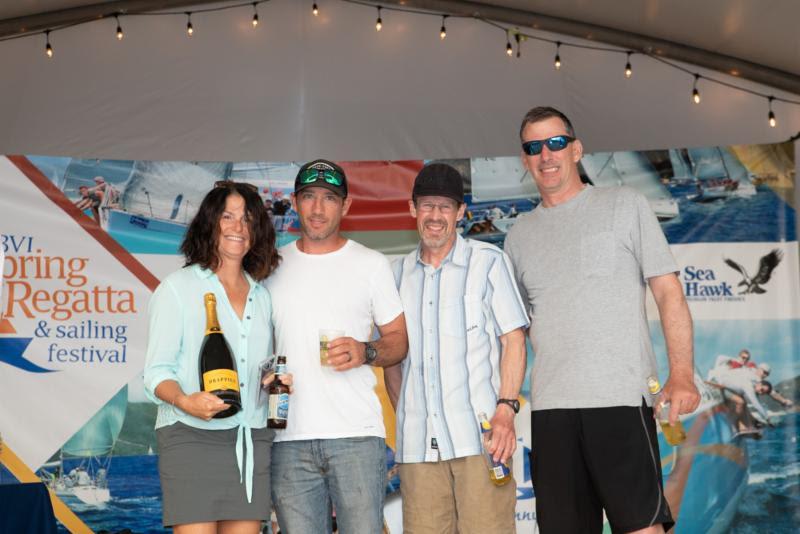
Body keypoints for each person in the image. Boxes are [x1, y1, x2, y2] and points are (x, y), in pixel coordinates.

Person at [504, 106, 701, 534]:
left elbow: (669, 293)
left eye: (556, 143)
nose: (546, 155)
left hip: (621, 400)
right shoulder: (518, 235)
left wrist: (682, 374)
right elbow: (514, 334)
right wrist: (503, 405)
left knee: (643, 529)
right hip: (552, 413)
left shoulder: (625, 205)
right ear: (524, 159)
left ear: (576, 149)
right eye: (533, 147)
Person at [263, 159, 408, 534]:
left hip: (357, 437)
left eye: (329, 198)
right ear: (294, 202)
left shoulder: (371, 264)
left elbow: (399, 341)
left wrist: (365, 351)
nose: (317, 207)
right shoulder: (269, 267)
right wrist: (263, 374)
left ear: (345, 206)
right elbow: (258, 347)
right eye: (309, 196)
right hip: (288, 439)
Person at [385, 163, 529, 533]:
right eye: (427, 205)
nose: (435, 216)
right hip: (418, 449)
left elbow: (513, 339)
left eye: (445, 206)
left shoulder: (489, 263)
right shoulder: (394, 276)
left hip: (480, 442)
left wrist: (506, 411)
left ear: (461, 212)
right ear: (412, 209)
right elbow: (392, 358)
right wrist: (408, 413)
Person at [143, 180, 291, 532]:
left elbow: (258, 369)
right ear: (210, 222)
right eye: (228, 216)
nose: (238, 227)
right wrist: (184, 400)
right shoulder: (178, 289)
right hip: (191, 435)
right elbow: (155, 373)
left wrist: (273, 383)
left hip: (251, 439)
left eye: (248, 219)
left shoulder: (262, 296)